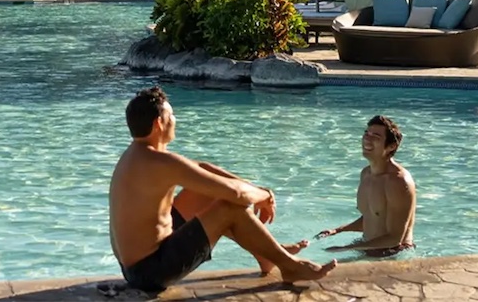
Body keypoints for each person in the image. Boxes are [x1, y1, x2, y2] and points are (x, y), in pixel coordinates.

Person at [109, 87, 335, 292]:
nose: (175, 120)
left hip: (136, 265)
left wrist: (255, 189)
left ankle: (267, 255)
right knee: (229, 207)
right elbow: (236, 195)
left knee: (204, 192)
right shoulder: (161, 162)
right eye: (172, 115)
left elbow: (202, 168)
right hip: (149, 273)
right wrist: (264, 196)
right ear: (159, 123)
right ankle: (290, 266)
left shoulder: (136, 156)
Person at [317, 116, 417, 257]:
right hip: (367, 247)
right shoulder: (366, 174)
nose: (367, 139)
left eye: (375, 136)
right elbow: (373, 217)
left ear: (391, 146)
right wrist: (337, 230)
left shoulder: (398, 182)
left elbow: (395, 238)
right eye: (366, 133)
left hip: (393, 254)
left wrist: (347, 248)